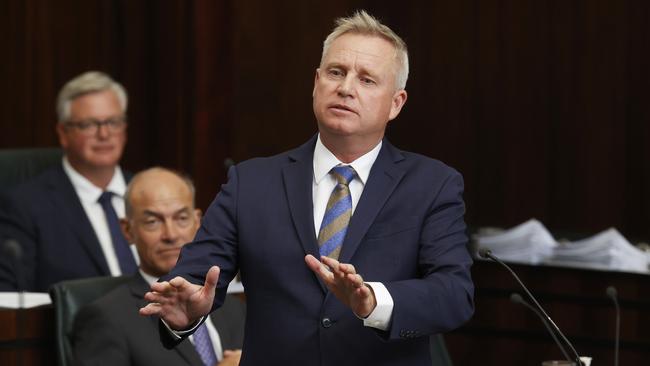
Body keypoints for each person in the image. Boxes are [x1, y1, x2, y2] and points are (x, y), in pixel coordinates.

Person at [141, 10, 474, 366]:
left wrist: (372, 301)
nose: (345, 88)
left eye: (366, 80)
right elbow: (192, 280)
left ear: (396, 103)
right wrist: (186, 313)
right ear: (316, 84)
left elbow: (454, 295)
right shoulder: (251, 183)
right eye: (336, 72)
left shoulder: (432, 185)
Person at [73, 167, 244, 366]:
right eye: (153, 221)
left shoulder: (235, 309)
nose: (170, 235)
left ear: (198, 222)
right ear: (127, 230)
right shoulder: (106, 317)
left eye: (181, 218)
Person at [0, 71, 138, 292]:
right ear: (63, 133)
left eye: (113, 122)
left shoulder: (150, 192)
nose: (104, 134)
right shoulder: (26, 206)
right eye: (89, 125)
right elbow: (11, 299)